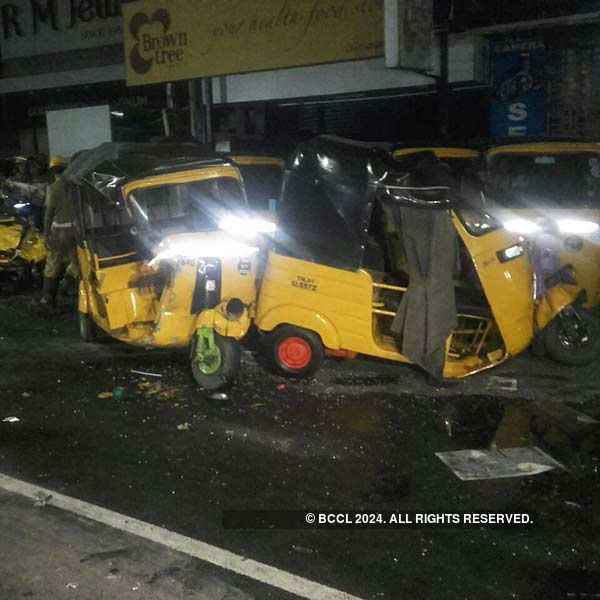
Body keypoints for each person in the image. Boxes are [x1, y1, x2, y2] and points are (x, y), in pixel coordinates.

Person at [39, 156, 78, 312]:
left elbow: (49, 213)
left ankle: (48, 300)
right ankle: (84, 296)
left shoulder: (53, 188)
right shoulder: (76, 186)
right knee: (77, 264)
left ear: (53, 171)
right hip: (76, 230)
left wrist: (46, 233)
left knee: (52, 264)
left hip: (59, 231)